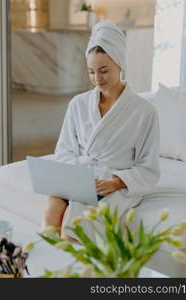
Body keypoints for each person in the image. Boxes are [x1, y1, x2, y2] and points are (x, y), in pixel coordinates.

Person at [43, 21, 160, 241]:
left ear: (120, 64)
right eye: (91, 72)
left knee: (72, 230)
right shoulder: (78, 104)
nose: (97, 79)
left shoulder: (144, 111)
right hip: (80, 178)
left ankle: (75, 272)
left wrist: (116, 182)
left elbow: (149, 168)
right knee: (51, 209)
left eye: (104, 71)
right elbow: (64, 151)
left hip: (115, 185)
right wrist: (78, 176)